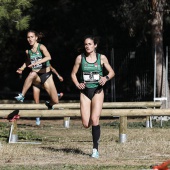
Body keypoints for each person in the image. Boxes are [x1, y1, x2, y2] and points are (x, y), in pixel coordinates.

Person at [71, 35, 115, 158]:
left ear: (95, 45)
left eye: (90, 44)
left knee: (95, 119)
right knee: (86, 124)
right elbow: (73, 74)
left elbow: (112, 72)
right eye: (85, 44)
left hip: (97, 91)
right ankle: (91, 119)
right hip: (85, 92)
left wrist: (105, 78)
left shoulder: (102, 58)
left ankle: (95, 149)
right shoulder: (80, 58)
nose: (87, 46)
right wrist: (77, 84)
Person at [15, 30, 59, 110]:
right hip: (36, 75)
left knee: (55, 100)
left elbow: (48, 57)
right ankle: (22, 95)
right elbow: (28, 61)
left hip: (46, 75)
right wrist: (22, 68)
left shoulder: (41, 47)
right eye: (28, 37)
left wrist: (36, 63)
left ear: (36, 38)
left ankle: (49, 104)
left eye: (32, 37)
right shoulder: (28, 51)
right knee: (32, 74)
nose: (30, 39)